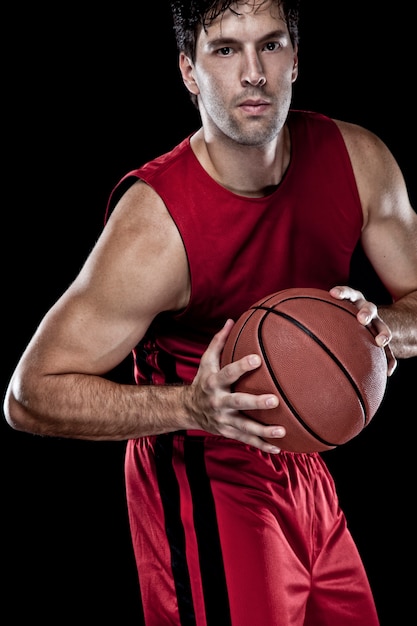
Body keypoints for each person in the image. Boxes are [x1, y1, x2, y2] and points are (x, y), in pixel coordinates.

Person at [4, 0, 417, 623]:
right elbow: (30, 394)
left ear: (296, 59)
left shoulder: (359, 161)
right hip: (203, 471)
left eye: (271, 46)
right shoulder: (157, 223)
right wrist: (188, 407)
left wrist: (383, 327)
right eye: (225, 50)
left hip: (306, 464)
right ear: (189, 71)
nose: (253, 71)